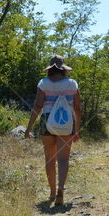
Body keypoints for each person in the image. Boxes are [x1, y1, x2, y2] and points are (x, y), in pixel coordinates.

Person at [26, 55, 81, 206]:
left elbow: (37, 105)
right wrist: (76, 129)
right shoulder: (72, 84)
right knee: (63, 158)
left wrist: (29, 128)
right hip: (67, 121)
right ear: (63, 69)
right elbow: (77, 108)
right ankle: (60, 189)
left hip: (47, 120)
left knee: (49, 158)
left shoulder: (43, 83)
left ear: (49, 69)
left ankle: (51, 192)